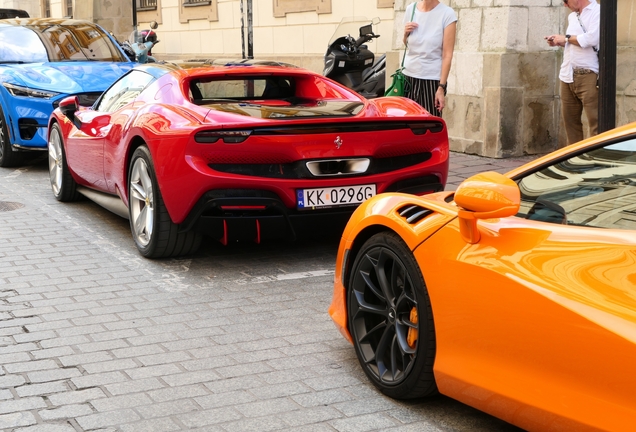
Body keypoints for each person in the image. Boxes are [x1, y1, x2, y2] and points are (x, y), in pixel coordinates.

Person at [545, 0, 600, 145]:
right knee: (570, 123)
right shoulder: (572, 16)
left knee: (596, 122)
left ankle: (596, 160)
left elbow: (592, 39)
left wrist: (567, 38)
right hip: (567, 74)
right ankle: (575, 160)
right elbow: (574, 43)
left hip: (588, 74)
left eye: (565, 1)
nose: (564, 5)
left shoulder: (597, 11)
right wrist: (560, 42)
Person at [402, 0, 457, 117]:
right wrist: (405, 34)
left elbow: (447, 55)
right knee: (406, 126)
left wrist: (441, 88)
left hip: (431, 81)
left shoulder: (447, 14)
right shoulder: (410, 10)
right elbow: (407, 44)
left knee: (429, 125)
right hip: (407, 79)